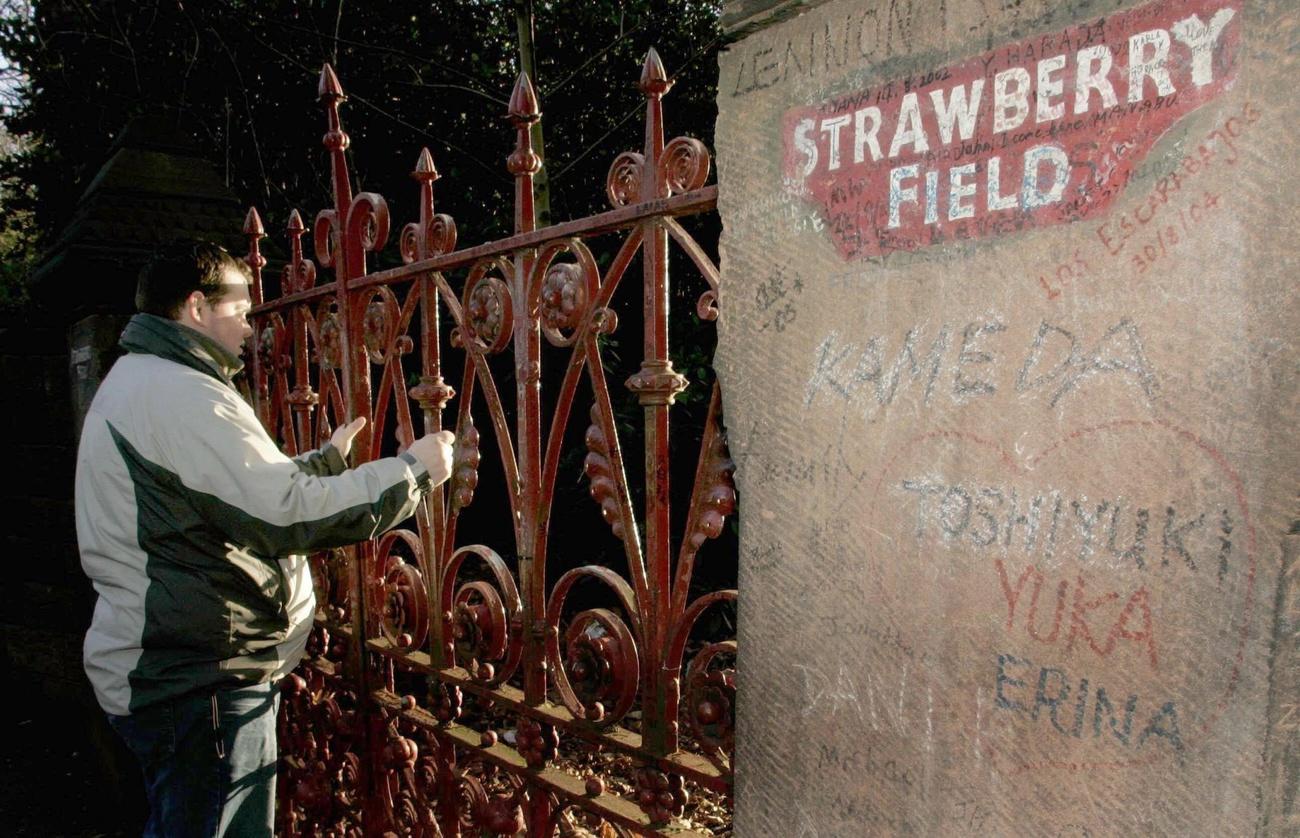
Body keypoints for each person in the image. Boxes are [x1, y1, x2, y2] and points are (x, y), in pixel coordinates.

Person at [74, 241, 454, 837]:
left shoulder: (146, 382)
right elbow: (279, 515)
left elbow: (217, 494)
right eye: (241, 308)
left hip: (176, 671)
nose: (250, 325)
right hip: (200, 683)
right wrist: (413, 472)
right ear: (197, 307)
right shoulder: (180, 393)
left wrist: (324, 464)